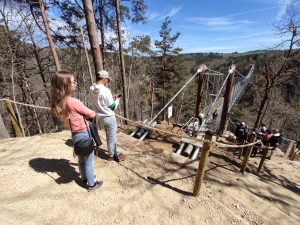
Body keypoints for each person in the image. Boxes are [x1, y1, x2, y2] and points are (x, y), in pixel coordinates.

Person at [50, 70, 103, 192]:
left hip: (74, 133)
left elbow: (69, 122)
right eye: (73, 81)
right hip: (84, 133)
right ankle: (91, 184)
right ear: (66, 85)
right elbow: (90, 113)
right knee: (89, 161)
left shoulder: (60, 102)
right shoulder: (73, 102)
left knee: (80, 158)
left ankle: (84, 178)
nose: (76, 83)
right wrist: (90, 113)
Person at [89, 70, 126, 162]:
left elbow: (102, 102)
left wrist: (111, 98)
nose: (107, 82)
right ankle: (112, 155)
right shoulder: (105, 91)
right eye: (107, 80)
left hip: (100, 117)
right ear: (104, 79)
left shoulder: (92, 88)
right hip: (109, 117)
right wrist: (117, 100)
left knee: (110, 136)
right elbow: (112, 107)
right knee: (111, 137)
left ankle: (116, 153)